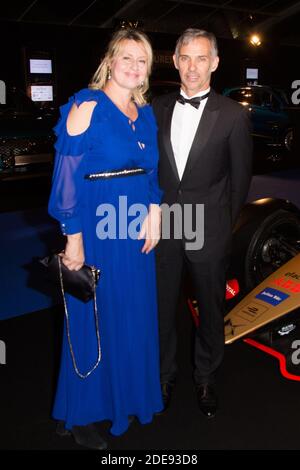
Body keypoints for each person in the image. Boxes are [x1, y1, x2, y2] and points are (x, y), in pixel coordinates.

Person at [48, 28, 163, 450]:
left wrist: (155, 211)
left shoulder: (144, 111)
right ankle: (80, 412)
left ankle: (124, 396)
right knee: (90, 317)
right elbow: (65, 180)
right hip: (95, 226)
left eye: (142, 61)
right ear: (110, 61)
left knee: (130, 313)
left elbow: (151, 172)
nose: (134, 67)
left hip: (134, 229)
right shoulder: (86, 104)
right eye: (127, 58)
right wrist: (72, 238)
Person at [152, 28, 252, 418]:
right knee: (162, 307)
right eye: (185, 58)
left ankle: (206, 375)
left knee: (210, 309)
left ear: (214, 63)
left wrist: (222, 232)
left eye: (201, 58)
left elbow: (239, 182)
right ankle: (164, 374)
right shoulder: (155, 108)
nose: (193, 67)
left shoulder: (233, 115)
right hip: (164, 227)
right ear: (175, 61)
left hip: (208, 229)